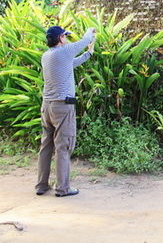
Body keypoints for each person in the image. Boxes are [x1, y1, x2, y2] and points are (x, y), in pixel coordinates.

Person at [36, 25, 95, 197]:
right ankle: (63, 188)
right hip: (62, 106)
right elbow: (85, 40)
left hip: (47, 106)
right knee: (63, 146)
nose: (67, 39)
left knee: (46, 145)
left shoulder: (47, 56)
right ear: (61, 38)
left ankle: (41, 185)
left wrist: (89, 54)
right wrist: (91, 31)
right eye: (66, 36)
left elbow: (71, 64)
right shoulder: (64, 51)